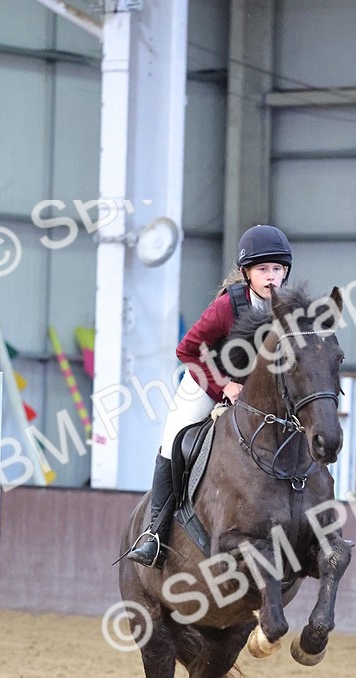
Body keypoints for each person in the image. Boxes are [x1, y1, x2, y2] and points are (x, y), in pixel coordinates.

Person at [126, 224, 293, 567]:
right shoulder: (227, 306)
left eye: (277, 269)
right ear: (247, 273)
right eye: (263, 269)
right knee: (174, 440)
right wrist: (224, 386)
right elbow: (187, 349)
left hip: (258, 396)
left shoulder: (290, 308)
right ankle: (155, 533)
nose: (271, 276)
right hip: (208, 381)